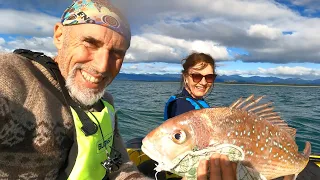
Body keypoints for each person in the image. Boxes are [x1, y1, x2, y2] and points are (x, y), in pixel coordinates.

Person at [0, 0, 236, 179]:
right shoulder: (15, 78)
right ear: (59, 36)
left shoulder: (105, 104)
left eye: (117, 53)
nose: (102, 66)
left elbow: (120, 167)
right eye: (90, 43)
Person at [164, 52, 216, 120]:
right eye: (196, 76)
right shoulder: (182, 106)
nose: (203, 82)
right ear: (185, 77)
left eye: (209, 77)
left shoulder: (196, 101)